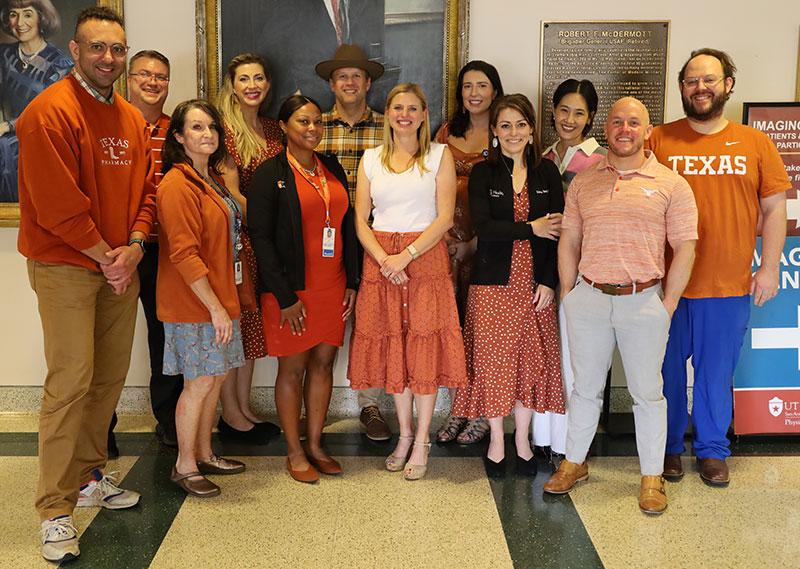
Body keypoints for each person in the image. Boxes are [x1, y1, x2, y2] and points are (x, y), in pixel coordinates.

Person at [16, 7, 154, 562]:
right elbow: (57, 207)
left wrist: (135, 246)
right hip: (66, 267)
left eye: (117, 49)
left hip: (119, 265)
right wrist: (107, 256)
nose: (108, 58)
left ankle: (90, 476)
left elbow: (147, 191)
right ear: (74, 50)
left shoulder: (130, 118)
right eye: (97, 47)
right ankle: (54, 509)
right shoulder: (48, 113)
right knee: (71, 382)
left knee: (108, 378)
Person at [543, 97, 698, 516]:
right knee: (585, 389)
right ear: (606, 128)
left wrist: (668, 303)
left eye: (633, 122)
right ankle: (574, 462)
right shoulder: (585, 181)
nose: (624, 129)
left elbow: (685, 246)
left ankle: (651, 476)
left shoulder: (671, 184)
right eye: (617, 122)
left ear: (647, 131)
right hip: (588, 298)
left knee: (647, 394)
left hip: (644, 301)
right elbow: (570, 239)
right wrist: (568, 292)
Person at [648, 48, 789, 486]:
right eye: (692, 81)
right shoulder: (658, 140)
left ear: (728, 84)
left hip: (727, 283)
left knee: (715, 374)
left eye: (709, 79)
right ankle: (668, 447)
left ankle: (712, 449)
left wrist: (769, 267)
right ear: (682, 88)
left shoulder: (755, 143)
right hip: (665, 285)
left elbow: (775, 208)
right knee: (665, 372)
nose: (700, 88)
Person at [348, 83, 466, 481]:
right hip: (381, 262)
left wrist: (406, 255)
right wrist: (385, 259)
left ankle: (422, 441)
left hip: (424, 259)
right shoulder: (370, 159)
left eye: (412, 108)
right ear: (388, 114)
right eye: (398, 108)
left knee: (423, 350)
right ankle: (404, 434)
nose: (404, 115)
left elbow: (444, 218)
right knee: (394, 348)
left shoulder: (439, 155)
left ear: (423, 114)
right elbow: (360, 220)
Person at [452, 94, 565, 477]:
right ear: (495, 132)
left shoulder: (547, 173)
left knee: (528, 365)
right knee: (493, 366)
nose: (513, 132)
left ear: (531, 129)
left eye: (520, 124)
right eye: (505, 125)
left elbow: (557, 233)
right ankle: (497, 440)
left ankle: (523, 441)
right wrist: (531, 228)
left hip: (534, 284)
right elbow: (485, 229)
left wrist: (548, 281)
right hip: (492, 285)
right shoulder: (484, 174)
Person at [249, 94, 359, 483]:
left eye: (317, 121)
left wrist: (353, 281)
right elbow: (260, 239)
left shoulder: (331, 167)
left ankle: (315, 444)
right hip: (291, 292)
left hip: (333, 285)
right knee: (292, 369)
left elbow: (347, 226)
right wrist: (285, 297)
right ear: (283, 126)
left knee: (324, 364)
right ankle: (294, 451)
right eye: (303, 121)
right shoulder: (269, 174)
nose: (312, 128)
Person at [157, 99, 247, 498]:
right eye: (196, 127)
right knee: (199, 382)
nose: (207, 133)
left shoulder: (209, 179)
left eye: (211, 127)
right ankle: (185, 465)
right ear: (178, 137)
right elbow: (184, 254)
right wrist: (214, 308)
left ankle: (205, 453)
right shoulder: (177, 184)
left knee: (217, 377)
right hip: (195, 305)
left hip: (221, 298)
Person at [315, 43, 390, 441]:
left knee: (371, 324)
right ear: (331, 83)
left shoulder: (387, 128)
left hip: (374, 240)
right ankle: (314, 407)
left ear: (368, 83)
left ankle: (369, 405)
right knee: (324, 322)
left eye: (356, 76)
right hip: (323, 242)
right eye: (341, 76)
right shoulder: (315, 127)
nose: (349, 82)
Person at [108, 50, 180, 453]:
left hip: (164, 251)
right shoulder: (110, 127)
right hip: (115, 252)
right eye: (145, 75)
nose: (153, 82)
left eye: (161, 77)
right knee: (108, 341)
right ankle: (101, 427)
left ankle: (169, 421)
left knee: (166, 338)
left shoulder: (178, 132)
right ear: (129, 79)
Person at [535, 78, 606, 468]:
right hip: (543, 269)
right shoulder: (542, 157)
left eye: (579, 113)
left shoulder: (601, 161)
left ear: (590, 117)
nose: (569, 119)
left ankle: (577, 441)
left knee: (580, 358)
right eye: (564, 110)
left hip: (584, 269)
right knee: (548, 352)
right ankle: (547, 436)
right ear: (553, 111)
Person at [432, 60, 504, 446]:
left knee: (483, 336)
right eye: (467, 86)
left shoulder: (504, 131)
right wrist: (442, 237)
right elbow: (428, 184)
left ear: (495, 91)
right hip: (446, 246)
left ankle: (480, 412)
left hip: (488, 247)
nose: (474, 93)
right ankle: (458, 408)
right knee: (454, 332)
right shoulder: (446, 133)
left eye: (482, 85)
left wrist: (474, 244)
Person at [216, 52, 283, 442]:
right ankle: (230, 415)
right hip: (238, 242)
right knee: (235, 326)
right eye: (244, 79)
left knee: (251, 328)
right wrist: (268, 219)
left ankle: (244, 407)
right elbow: (230, 192)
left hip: (264, 244)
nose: (252, 85)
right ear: (232, 85)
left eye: (258, 78)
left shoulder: (273, 129)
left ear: (268, 84)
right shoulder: (223, 130)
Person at [0, 0, 72, 202]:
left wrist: (8, 126)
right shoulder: (3, 54)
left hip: (41, 135)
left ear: (42, 18)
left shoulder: (60, 64)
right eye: (13, 14)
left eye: (27, 14)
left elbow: (50, 113)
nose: (19, 22)